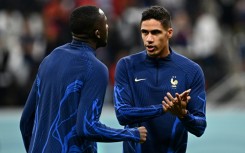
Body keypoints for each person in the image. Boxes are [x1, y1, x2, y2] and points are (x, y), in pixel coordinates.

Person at [20, 5, 147, 153]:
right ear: (97, 33)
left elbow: (25, 121)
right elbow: (87, 127)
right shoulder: (96, 69)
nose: (108, 27)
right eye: (105, 23)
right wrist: (130, 133)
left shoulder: (49, 59)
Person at [113, 5, 207, 153]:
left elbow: (200, 127)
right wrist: (162, 109)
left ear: (169, 33)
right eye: (145, 32)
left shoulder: (191, 70)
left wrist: (183, 115)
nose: (149, 39)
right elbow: (122, 114)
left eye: (155, 32)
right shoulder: (126, 66)